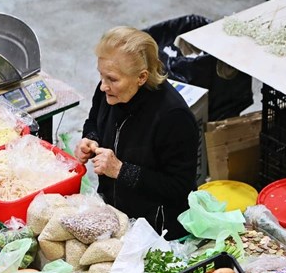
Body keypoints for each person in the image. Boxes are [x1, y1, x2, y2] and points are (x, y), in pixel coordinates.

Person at [75, 26, 200, 240]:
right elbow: (93, 120)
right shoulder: (109, 91)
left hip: (156, 231)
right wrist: (91, 139)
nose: (103, 86)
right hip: (115, 216)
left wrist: (122, 171)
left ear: (141, 77)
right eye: (101, 75)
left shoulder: (173, 117)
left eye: (112, 79)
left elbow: (180, 187)